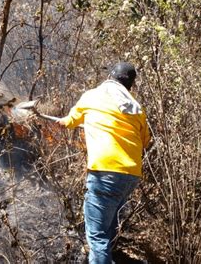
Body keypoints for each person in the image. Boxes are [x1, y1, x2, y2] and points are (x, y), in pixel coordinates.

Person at [58, 62, 151, 264]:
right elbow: (145, 141)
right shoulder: (135, 107)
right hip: (131, 175)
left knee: (97, 235)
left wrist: (61, 121)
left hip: (106, 173)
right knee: (107, 229)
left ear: (110, 76)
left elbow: (69, 121)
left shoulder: (92, 96)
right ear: (130, 85)